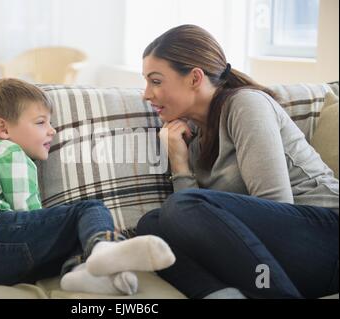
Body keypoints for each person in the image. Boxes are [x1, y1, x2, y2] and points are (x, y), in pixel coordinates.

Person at [137, 24, 339, 299]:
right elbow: (188, 230)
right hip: (279, 256)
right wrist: (180, 164)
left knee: (182, 206)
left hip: (325, 237)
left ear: (195, 78)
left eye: (156, 81)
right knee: (152, 225)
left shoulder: (245, 105)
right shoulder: (191, 136)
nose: (146, 94)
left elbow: (276, 209)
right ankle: (220, 295)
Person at [0, 78, 176, 295]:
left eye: (50, 122)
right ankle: (105, 246)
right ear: (3, 129)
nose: (52, 130)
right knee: (88, 209)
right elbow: (27, 212)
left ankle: (80, 273)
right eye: (40, 122)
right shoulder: (9, 152)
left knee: (74, 235)